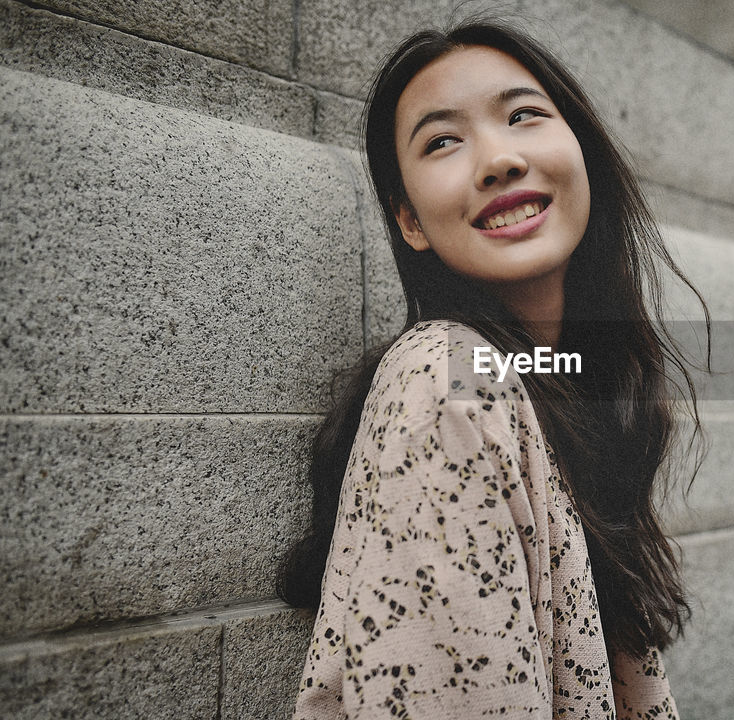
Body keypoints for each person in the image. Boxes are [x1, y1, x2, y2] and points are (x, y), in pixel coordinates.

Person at [278, 17, 710, 719]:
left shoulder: (560, 389)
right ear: (410, 221)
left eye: (523, 116)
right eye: (442, 141)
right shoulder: (449, 385)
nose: (498, 159)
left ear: (583, 155)